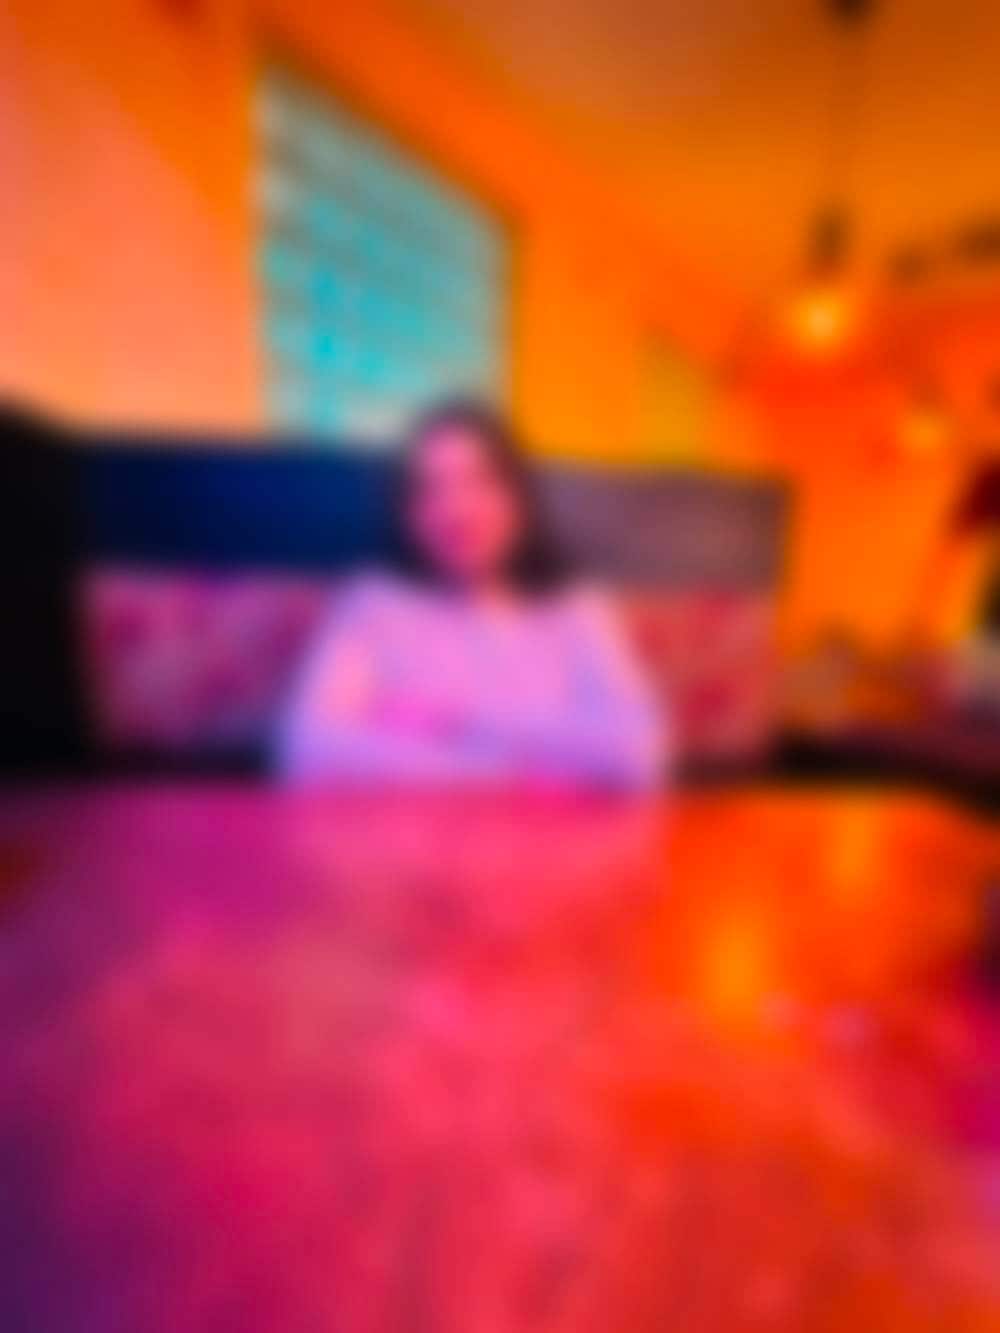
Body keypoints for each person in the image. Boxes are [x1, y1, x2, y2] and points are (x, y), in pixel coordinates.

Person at [276, 400, 666, 788]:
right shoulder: (374, 604)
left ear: (518, 497)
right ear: (407, 514)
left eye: (480, 480)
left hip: (551, 830)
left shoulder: (575, 608)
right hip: (413, 828)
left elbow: (637, 752)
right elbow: (306, 747)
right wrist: (512, 772)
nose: (456, 508)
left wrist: (450, 722)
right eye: (429, 489)